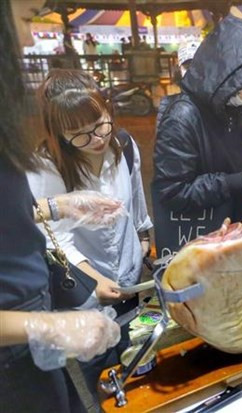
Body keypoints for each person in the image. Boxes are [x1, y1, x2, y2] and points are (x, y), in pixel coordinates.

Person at [1, 2, 122, 410]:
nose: (29, 38)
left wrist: (57, 207)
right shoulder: (43, 161)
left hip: (28, 346)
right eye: (23, 19)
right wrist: (46, 325)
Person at [27, 69, 153, 396]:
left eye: (100, 124)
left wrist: (143, 236)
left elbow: (136, 198)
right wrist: (93, 279)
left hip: (128, 278)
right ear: (59, 134)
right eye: (80, 134)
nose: (97, 139)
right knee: (98, 370)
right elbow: (55, 238)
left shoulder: (123, 146)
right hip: (83, 294)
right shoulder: (47, 166)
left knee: (136, 361)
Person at [153, 15, 242, 258]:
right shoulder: (182, 117)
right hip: (200, 244)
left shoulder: (234, 108)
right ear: (223, 72)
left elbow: (237, 163)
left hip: (230, 233)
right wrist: (238, 183)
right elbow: (172, 191)